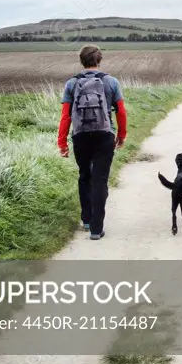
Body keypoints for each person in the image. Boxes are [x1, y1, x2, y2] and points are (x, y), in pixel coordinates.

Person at [57, 45, 127, 240]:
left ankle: (87, 219)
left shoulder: (71, 84)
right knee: (100, 180)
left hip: (80, 136)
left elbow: (66, 116)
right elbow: (121, 112)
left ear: (82, 61)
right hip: (104, 135)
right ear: (100, 60)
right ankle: (97, 228)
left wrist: (62, 142)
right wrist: (121, 135)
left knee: (84, 176)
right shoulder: (111, 82)